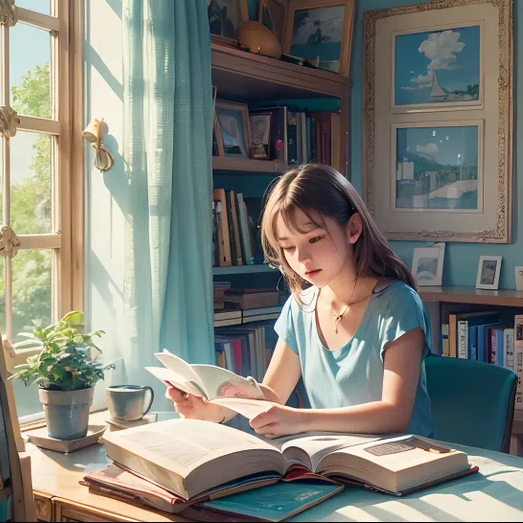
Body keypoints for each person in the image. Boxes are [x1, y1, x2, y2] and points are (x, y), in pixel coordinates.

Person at [167, 164, 434, 439]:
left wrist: (301, 420)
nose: (302, 258)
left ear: (353, 229)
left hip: (403, 468)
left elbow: (394, 415)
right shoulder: (300, 307)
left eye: (314, 238)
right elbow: (272, 397)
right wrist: (214, 411)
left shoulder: (399, 304)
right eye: (288, 247)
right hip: (336, 464)